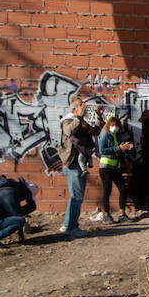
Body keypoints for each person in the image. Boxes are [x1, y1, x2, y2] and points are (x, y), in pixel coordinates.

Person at [57, 98, 95, 237]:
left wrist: (100, 118)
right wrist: (78, 116)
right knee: (77, 196)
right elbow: (69, 131)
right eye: (81, 106)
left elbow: (94, 131)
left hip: (80, 163)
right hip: (72, 163)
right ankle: (71, 227)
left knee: (76, 195)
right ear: (74, 109)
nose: (84, 108)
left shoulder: (81, 122)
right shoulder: (68, 121)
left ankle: (68, 224)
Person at [94, 116, 135, 223]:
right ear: (109, 126)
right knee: (107, 191)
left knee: (123, 189)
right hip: (106, 168)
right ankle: (106, 215)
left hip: (116, 167)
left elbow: (120, 151)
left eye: (116, 125)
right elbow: (103, 150)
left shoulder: (118, 136)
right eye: (112, 125)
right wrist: (118, 148)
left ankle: (122, 214)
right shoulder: (105, 136)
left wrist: (126, 148)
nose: (115, 127)